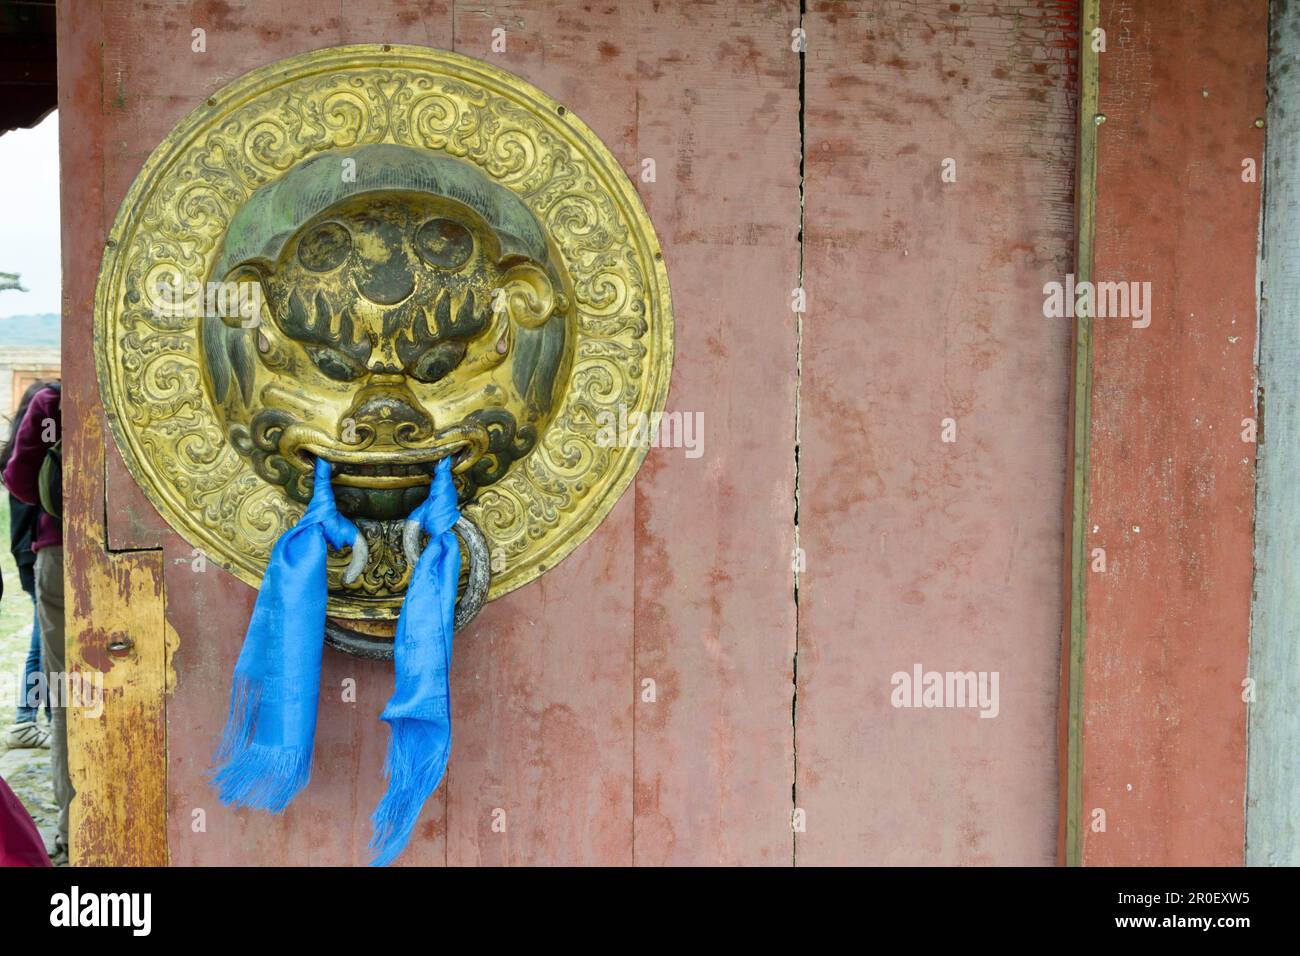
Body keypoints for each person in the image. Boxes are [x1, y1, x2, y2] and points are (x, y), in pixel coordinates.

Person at [1, 380, 68, 863]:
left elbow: (20, 482)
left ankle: (75, 827)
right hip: (155, 555)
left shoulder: (53, 401)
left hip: (63, 551)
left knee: (66, 696)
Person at [2, 380, 52, 749]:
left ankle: (39, 716)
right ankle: (25, 718)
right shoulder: (36, 455)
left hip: (27, 554)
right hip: (37, 553)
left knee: (44, 638)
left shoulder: (19, 454)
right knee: (42, 640)